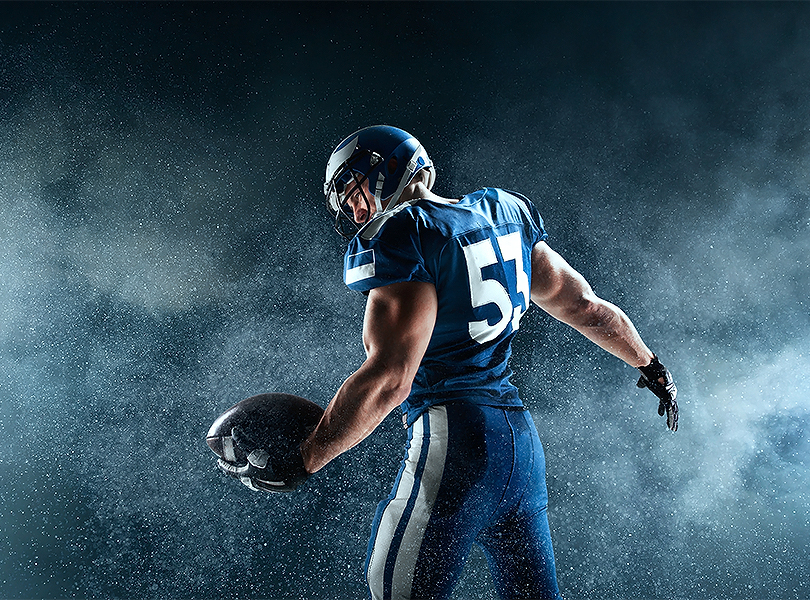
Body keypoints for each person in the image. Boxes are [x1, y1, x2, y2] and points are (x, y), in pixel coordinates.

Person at [301, 125, 678, 600]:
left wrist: (309, 457)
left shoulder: (402, 234)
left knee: (394, 588)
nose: (354, 210)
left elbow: (391, 378)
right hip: (520, 448)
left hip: (456, 441)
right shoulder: (504, 212)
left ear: (383, 170)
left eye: (353, 191)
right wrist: (650, 364)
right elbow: (584, 306)